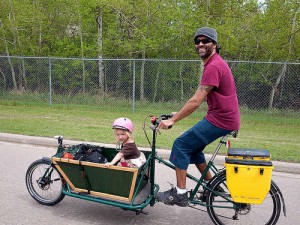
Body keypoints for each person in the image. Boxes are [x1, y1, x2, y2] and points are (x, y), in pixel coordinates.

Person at [156, 27, 240, 207]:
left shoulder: (214, 65)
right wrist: (176, 114)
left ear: (215, 45)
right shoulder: (214, 64)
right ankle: (213, 187)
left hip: (221, 120)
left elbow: (196, 100)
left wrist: (173, 120)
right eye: (197, 41)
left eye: (205, 41)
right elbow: (200, 100)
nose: (200, 44)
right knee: (193, 150)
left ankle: (180, 194)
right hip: (222, 118)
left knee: (181, 145)